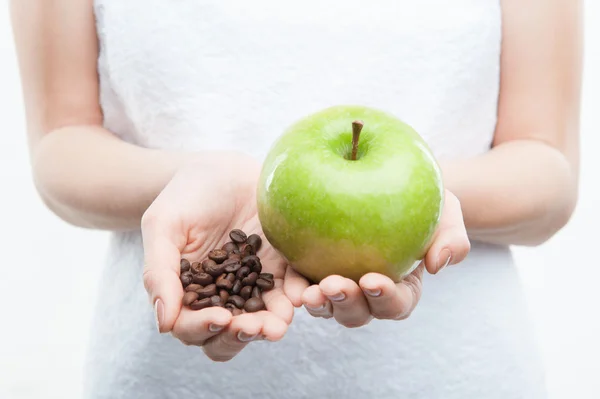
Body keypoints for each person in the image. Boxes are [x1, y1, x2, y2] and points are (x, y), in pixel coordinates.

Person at [10, 0, 581, 398]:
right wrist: (206, 180)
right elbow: (61, 143)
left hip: (454, 374)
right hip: (165, 378)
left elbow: (547, 176)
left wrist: (426, 199)